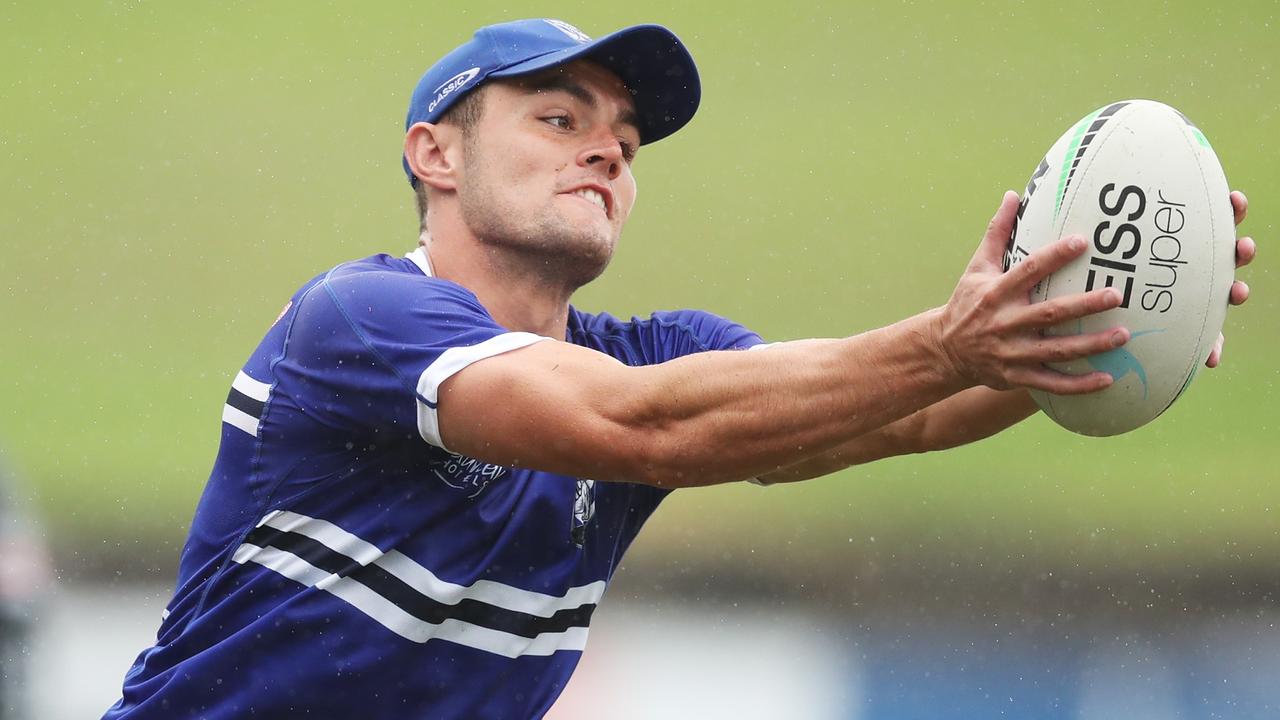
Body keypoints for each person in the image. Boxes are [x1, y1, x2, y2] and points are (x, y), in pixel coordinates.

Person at [103, 18, 1255, 719]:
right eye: (558, 117)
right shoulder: (359, 321)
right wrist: (949, 340)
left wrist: (1077, 328)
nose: (606, 144)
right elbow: (638, 429)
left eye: (624, 139)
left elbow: (896, 415)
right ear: (434, 153)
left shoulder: (660, 356)